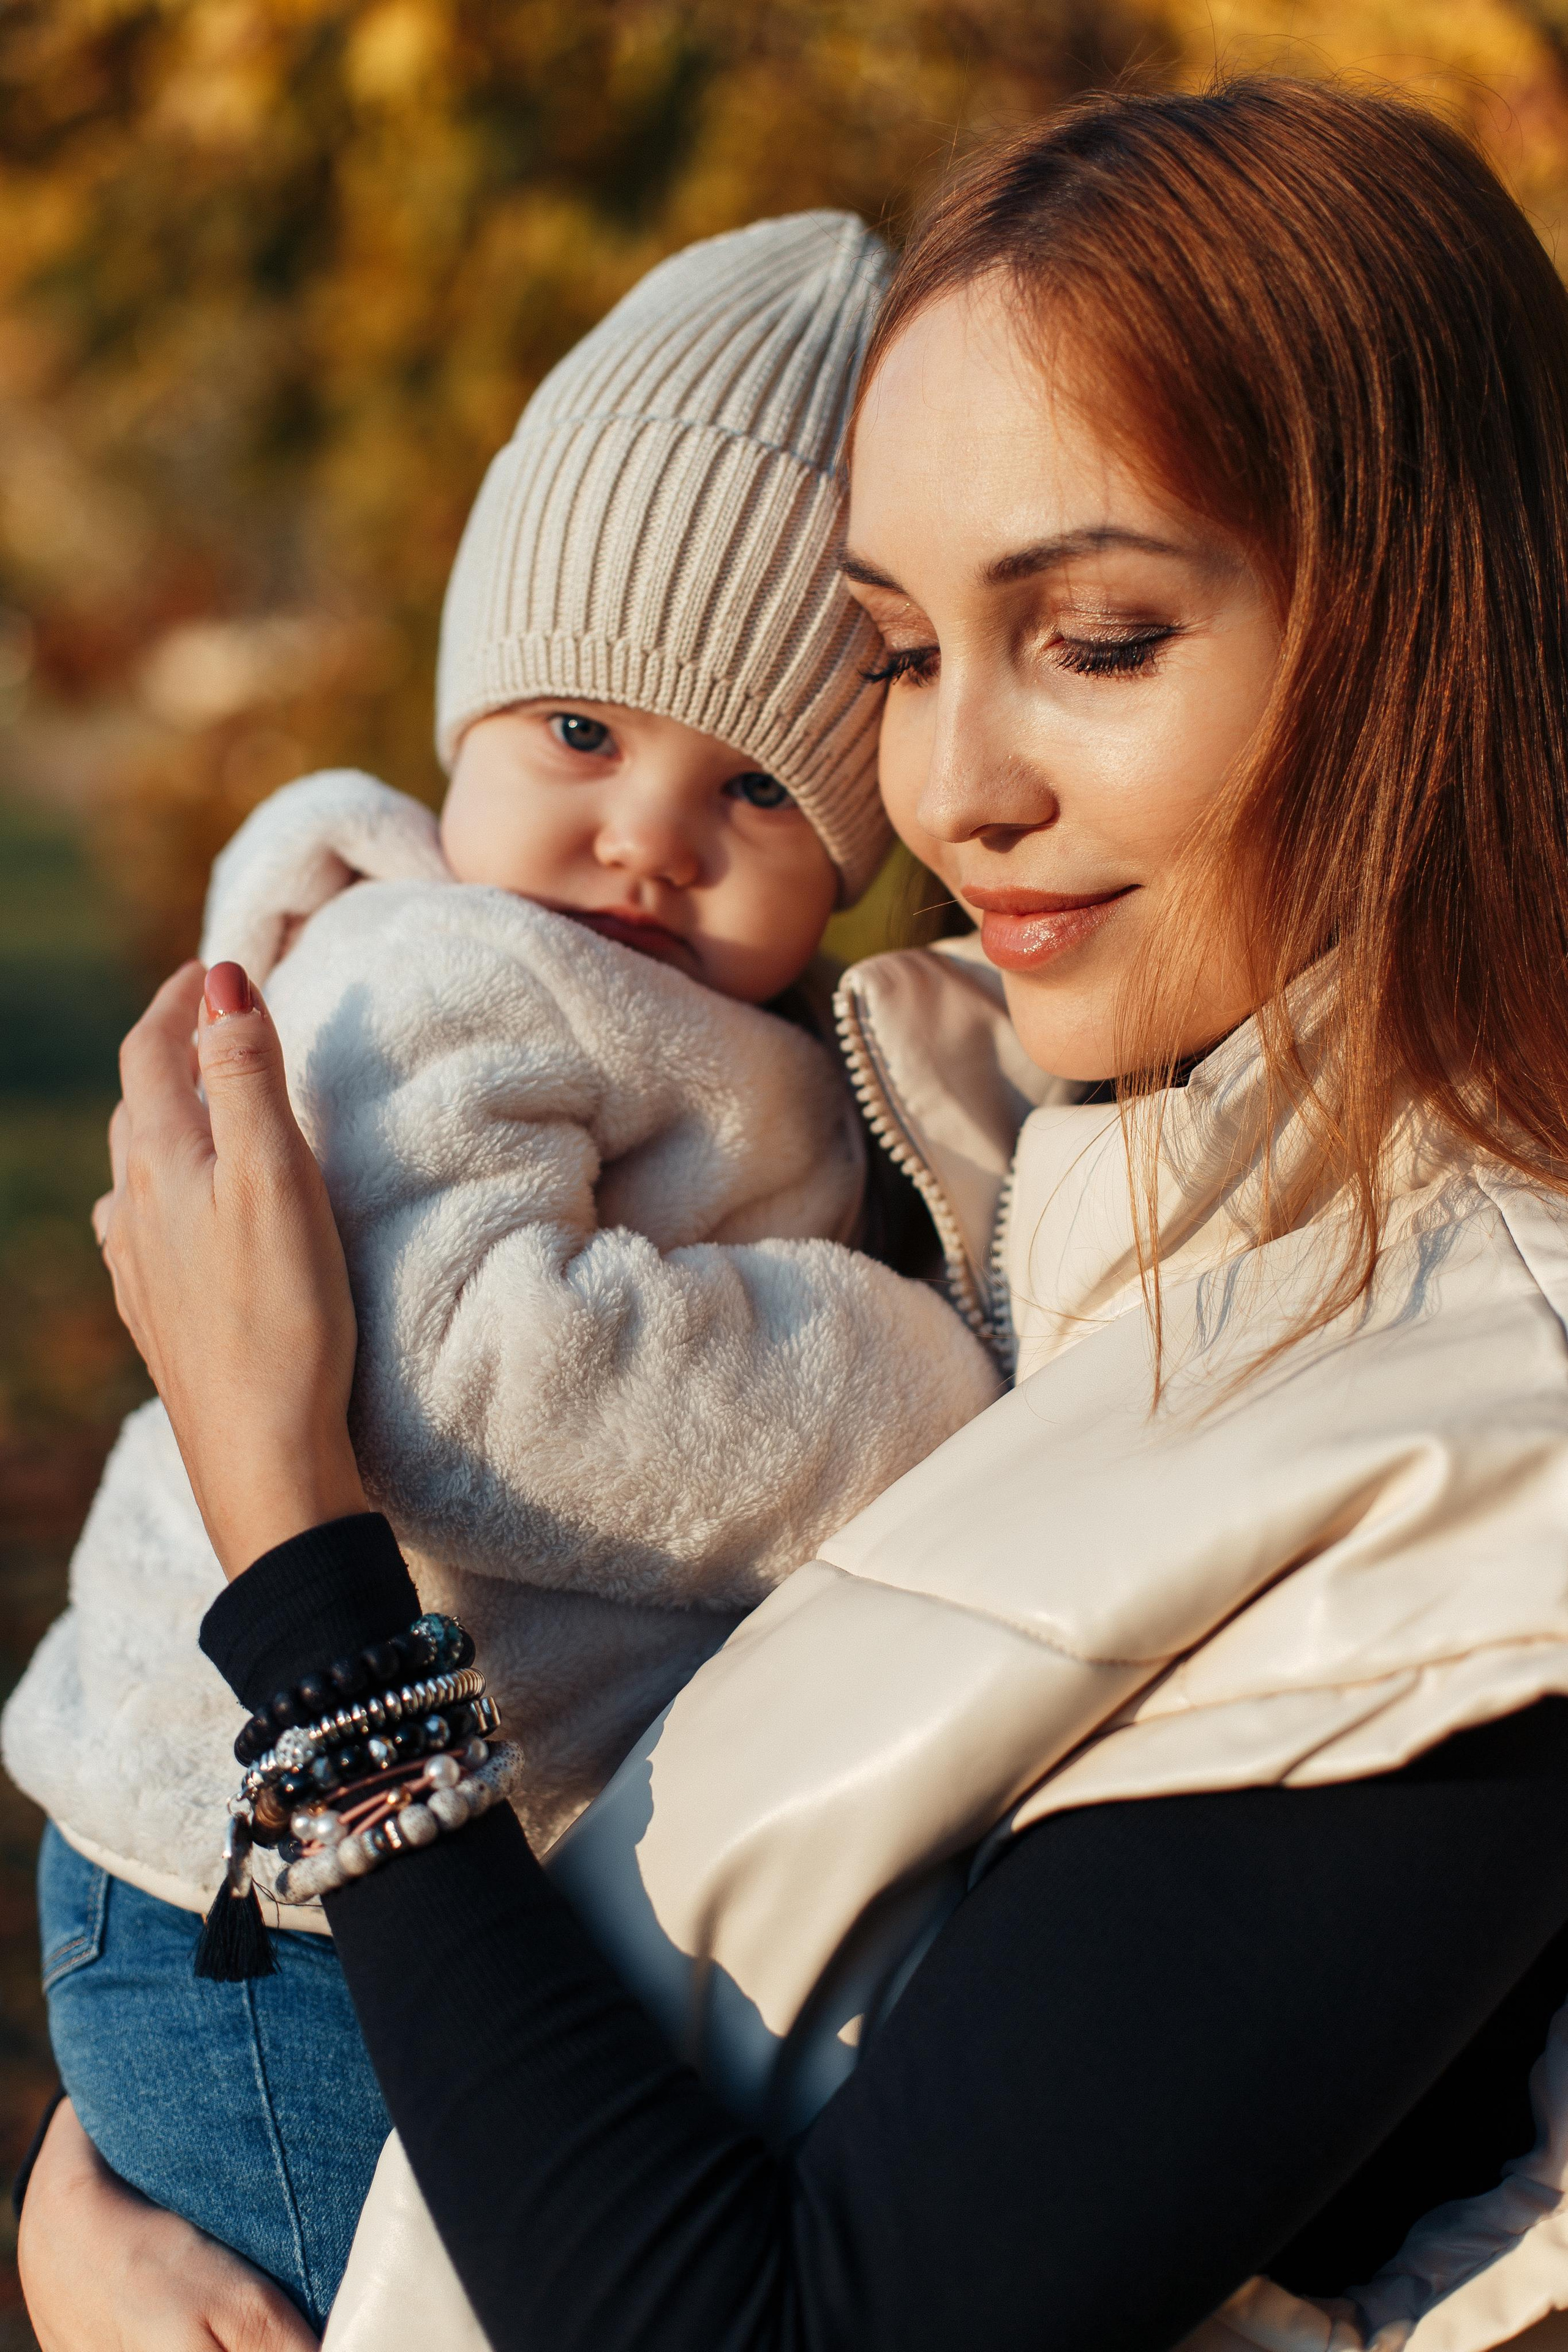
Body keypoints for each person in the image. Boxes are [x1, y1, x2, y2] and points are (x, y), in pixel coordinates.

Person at [21, 73, 1568, 2352]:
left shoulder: (1476, 1461)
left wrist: (301, 1559)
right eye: (907, 656)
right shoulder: (1049, 1168)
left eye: (1100, 640)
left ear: (1433, 627)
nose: (953, 791)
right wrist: (129, 2161)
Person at [1, 211, 1003, 2331]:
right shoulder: (445, 974)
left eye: (752, 786)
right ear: (469, 711)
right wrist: (901, 1384)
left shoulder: (695, 1023)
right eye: (579, 735)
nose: (649, 833)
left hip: (337, 1886)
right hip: (265, 1915)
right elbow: (469, 1387)